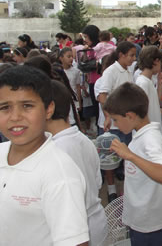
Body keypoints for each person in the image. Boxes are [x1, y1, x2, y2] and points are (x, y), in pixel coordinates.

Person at [0, 66, 89, 246]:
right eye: (5, 107)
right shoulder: (2, 152)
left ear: (49, 110)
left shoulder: (59, 174)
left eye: (27, 106)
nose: (15, 117)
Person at [105, 82, 162, 246]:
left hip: (151, 225)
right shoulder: (144, 135)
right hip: (143, 220)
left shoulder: (150, 139)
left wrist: (130, 156)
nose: (115, 124)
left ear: (130, 116)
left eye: (116, 119)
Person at [47, 80, 108, 246]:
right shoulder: (84, 139)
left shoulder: (55, 151)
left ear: (47, 110)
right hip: (95, 222)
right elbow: (97, 182)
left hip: (78, 232)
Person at [97, 41, 137, 202]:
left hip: (126, 123)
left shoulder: (128, 71)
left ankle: (128, 188)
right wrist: (108, 116)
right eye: (131, 55)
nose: (133, 59)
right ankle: (112, 190)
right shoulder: (111, 72)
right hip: (113, 125)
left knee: (127, 155)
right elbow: (102, 96)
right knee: (110, 159)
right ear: (121, 55)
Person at [135, 46, 162, 126]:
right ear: (156, 61)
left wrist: (159, 84)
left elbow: (156, 103)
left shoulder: (149, 80)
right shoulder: (143, 83)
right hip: (148, 131)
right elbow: (141, 112)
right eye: (160, 63)